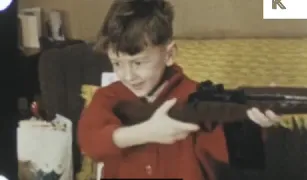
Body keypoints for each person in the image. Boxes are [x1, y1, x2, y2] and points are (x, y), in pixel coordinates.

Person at [77, 0, 280, 179]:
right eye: (117, 63)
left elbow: (230, 153)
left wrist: (253, 123)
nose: (128, 75)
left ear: (169, 54)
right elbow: (90, 143)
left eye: (138, 63)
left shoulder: (196, 97)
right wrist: (145, 132)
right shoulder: (108, 98)